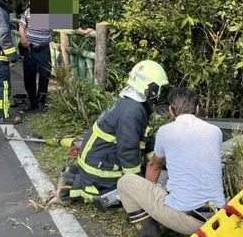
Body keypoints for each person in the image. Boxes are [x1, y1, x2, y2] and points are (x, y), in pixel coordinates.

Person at [116, 88, 226, 237]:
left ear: (171, 110)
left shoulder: (166, 131)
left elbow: (154, 165)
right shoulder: (215, 131)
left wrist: (146, 199)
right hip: (218, 216)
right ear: (197, 109)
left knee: (125, 182)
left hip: (187, 220)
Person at [55, 60, 169, 203]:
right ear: (151, 88)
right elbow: (128, 151)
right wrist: (135, 186)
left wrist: (163, 161)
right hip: (99, 169)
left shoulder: (131, 104)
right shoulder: (132, 113)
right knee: (119, 196)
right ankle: (71, 189)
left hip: (99, 159)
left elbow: (145, 139)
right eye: (160, 88)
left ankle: (75, 173)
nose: (160, 93)